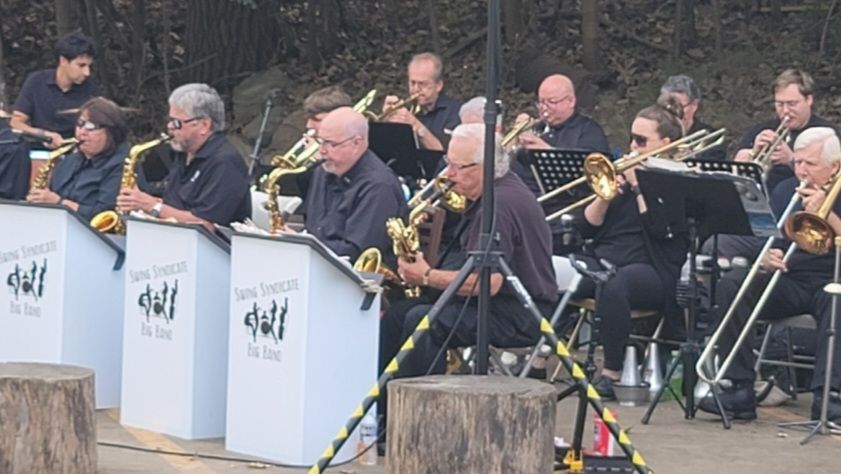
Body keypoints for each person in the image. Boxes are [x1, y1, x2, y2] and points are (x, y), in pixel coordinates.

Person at [378, 123, 557, 417]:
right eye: (448, 163)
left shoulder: (498, 206)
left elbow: (488, 283)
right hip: (498, 303)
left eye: (457, 167)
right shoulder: (495, 192)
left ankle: (422, 418)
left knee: (422, 321)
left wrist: (425, 276)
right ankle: (385, 414)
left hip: (520, 312)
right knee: (398, 314)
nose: (448, 174)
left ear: (485, 168)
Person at [699, 127, 841, 423]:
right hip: (791, 275)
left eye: (810, 164)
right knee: (733, 284)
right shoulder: (785, 188)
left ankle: (829, 396)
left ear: (835, 166)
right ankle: (738, 387)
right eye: (798, 162)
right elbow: (770, 238)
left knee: (836, 301)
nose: (801, 170)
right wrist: (765, 256)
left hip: (833, 277)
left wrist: (827, 215)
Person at [568, 98, 689, 399]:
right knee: (550, 267)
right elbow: (586, 228)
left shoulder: (677, 179)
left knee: (614, 285)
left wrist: (639, 188)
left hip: (653, 269)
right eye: (631, 138)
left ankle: (612, 372)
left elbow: (663, 232)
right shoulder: (623, 173)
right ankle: (541, 356)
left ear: (666, 142)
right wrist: (606, 195)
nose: (632, 146)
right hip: (604, 258)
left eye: (641, 140)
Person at [116, 83, 251, 227]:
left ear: (204, 125)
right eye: (170, 121)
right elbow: (176, 207)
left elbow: (205, 224)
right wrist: (142, 203)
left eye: (177, 123)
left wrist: (152, 206)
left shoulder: (225, 162)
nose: (169, 127)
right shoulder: (183, 154)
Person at [299, 106, 407, 264]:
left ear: (356, 143)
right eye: (320, 141)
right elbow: (313, 227)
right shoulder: (322, 171)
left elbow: (357, 253)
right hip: (318, 265)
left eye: (330, 144)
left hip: (362, 279)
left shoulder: (378, 186)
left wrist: (302, 246)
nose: (321, 151)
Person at [25, 97, 128, 221]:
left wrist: (59, 202)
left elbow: (106, 216)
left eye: (91, 126)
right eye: (80, 124)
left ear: (111, 131)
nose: (82, 132)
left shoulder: (120, 165)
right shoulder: (68, 160)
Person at [734, 69, 836, 192]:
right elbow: (736, 167)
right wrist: (754, 152)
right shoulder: (762, 129)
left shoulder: (827, 134)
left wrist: (791, 159)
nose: (785, 111)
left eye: (791, 104)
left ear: (808, 100)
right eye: (780, 104)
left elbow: (832, 177)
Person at [10, 32, 99, 148]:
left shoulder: (90, 88)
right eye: (81, 65)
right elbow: (16, 122)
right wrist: (43, 135)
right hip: (37, 152)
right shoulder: (36, 81)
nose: (87, 72)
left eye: (89, 66)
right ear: (63, 61)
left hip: (74, 155)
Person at [515, 73, 610, 155]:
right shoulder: (537, 127)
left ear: (571, 101)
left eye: (551, 102)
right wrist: (515, 137)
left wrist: (547, 152)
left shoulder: (588, 131)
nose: (544, 108)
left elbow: (594, 166)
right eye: (541, 102)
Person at [383, 52, 460, 151]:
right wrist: (386, 123)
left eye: (422, 84)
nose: (415, 89)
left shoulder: (454, 112)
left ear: (438, 85)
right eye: (412, 83)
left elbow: (444, 153)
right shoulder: (406, 108)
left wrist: (415, 124)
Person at [660, 74, 726, 161]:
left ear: (694, 105)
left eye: (679, 106)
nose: (672, 112)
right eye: (666, 106)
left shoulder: (711, 139)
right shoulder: (652, 133)